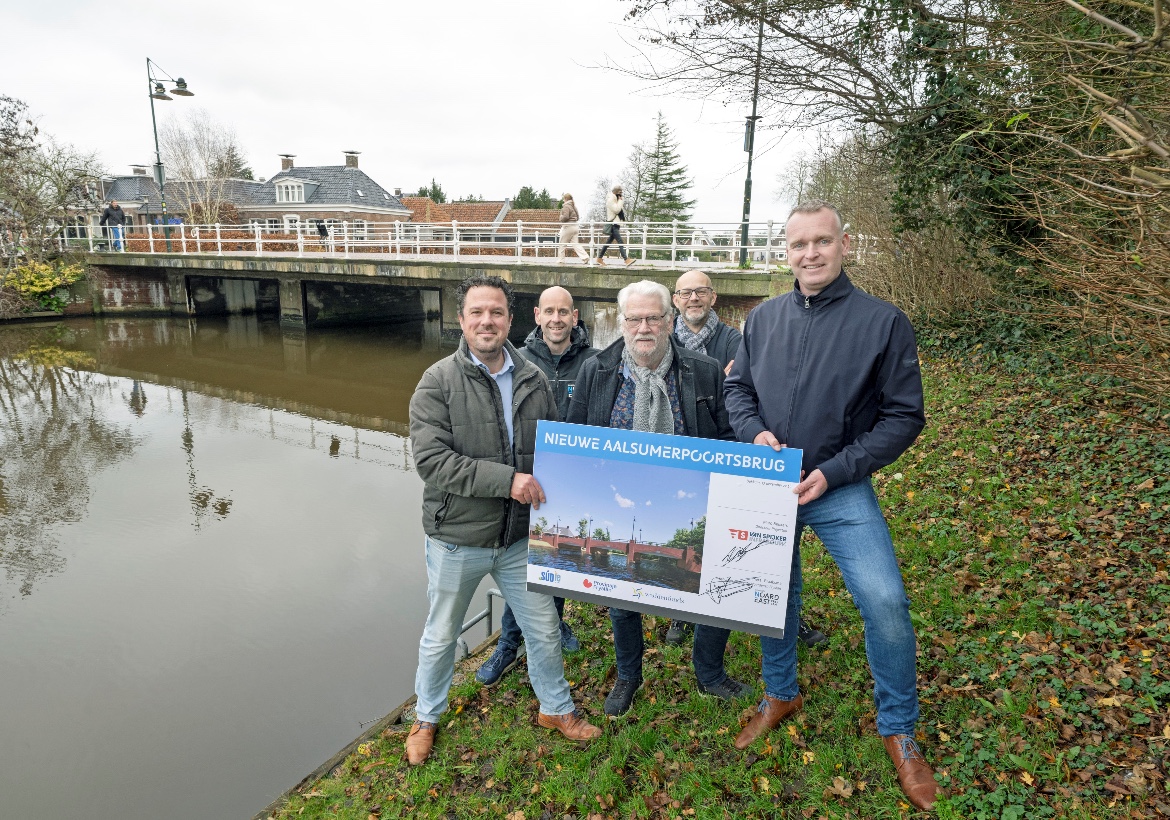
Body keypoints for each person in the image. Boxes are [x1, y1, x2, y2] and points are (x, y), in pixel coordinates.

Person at [723, 201, 941, 810]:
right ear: (784, 251)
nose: (810, 254)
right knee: (773, 595)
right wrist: (755, 434)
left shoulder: (883, 323)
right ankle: (779, 692)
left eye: (822, 242)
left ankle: (899, 729)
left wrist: (836, 470)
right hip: (770, 486)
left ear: (845, 244)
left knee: (885, 601)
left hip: (839, 487)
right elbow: (737, 390)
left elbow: (904, 416)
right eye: (799, 245)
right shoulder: (763, 319)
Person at [406, 275, 602, 765]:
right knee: (440, 634)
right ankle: (426, 717)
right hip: (457, 538)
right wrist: (509, 480)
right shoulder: (437, 382)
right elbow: (433, 462)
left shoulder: (533, 377)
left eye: (496, 312)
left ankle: (555, 708)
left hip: (518, 538)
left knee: (543, 629)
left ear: (511, 321)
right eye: (477, 313)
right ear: (462, 320)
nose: (487, 321)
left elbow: (553, 451)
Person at [566, 279, 751, 717]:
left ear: (670, 321)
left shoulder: (703, 370)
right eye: (634, 319)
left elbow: (729, 434)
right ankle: (629, 674)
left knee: (712, 584)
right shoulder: (597, 370)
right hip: (623, 496)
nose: (644, 327)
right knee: (621, 594)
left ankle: (709, 672)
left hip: (695, 496)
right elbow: (573, 437)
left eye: (654, 318)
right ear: (622, 323)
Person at [663, 271, 831, 649]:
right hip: (685, 452)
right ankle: (683, 612)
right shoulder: (665, 339)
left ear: (714, 297)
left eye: (701, 292)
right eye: (685, 293)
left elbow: (746, 388)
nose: (693, 299)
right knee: (691, 532)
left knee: (768, 542)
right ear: (676, 300)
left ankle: (787, 614)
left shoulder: (736, 339)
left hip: (732, 448)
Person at [475, 286, 598, 686]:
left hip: (573, 481)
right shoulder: (518, 361)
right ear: (537, 315)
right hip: (525, 483)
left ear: (575, 316)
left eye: (564, 311)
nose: (557, 319)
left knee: (557, 564)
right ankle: (508, 644)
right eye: (550, 311)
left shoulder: (596, 363)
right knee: (523, 568)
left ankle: (553, 624)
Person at [596, 186, 635, 267]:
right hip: (613, 224)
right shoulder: (610, 200)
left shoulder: (616, 200)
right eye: (620, 193)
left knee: (608, 242)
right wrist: (620, 201)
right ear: (615, 192)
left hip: (616, 224)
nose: (621, 195)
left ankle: (599, 258)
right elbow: (617, 210)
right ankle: (626, 260)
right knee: (620, 241)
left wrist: (619, 201)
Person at [557, 194, 589, 263]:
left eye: (563, 199)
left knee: (562, 243)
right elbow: (577, 217)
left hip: (568, 227)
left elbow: (565, 217)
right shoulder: (574, 206)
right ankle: (585, 257)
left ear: (565, 199)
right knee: (575, 244)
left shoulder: (566, 206)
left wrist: (560, 217)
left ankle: (561, 260)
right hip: (575, 226)